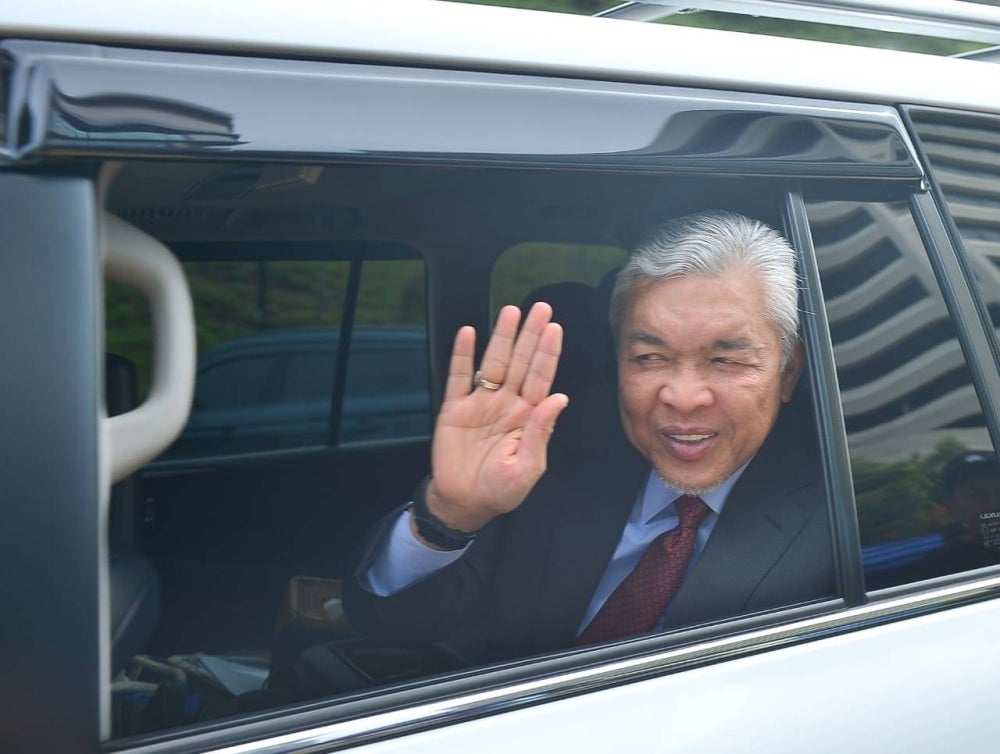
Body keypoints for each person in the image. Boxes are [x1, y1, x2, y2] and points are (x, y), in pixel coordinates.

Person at [343, 210, 835, 664]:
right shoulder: (551, 461)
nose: (683, 398)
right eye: (649, 357)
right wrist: (451, 515)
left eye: (726, 360)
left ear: (788, 372)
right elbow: (393, 627)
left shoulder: (843, 517)